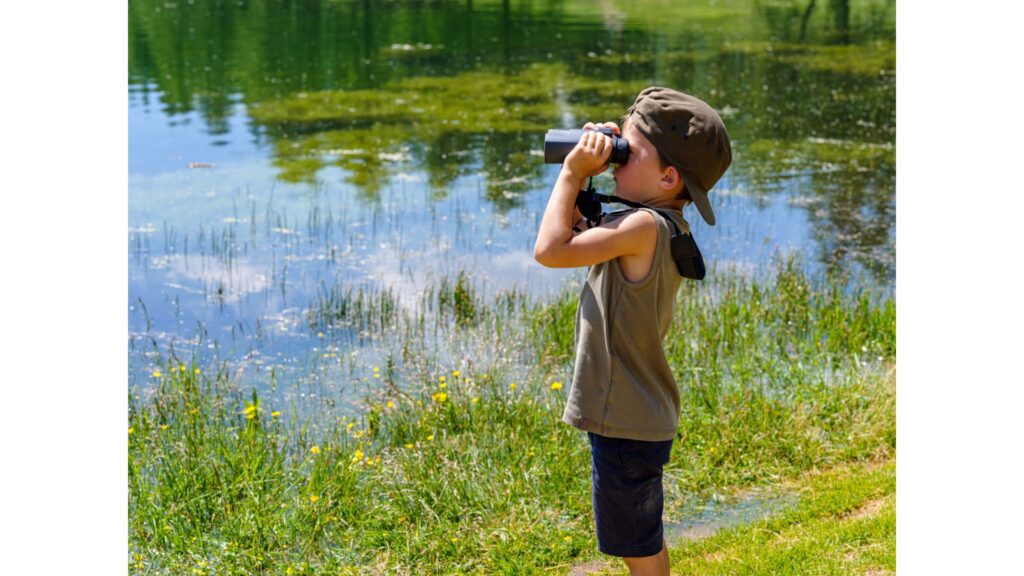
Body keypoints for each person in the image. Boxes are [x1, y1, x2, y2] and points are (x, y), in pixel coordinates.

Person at [533, 87, 732, 576]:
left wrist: (571, 171)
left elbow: (551, 249)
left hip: (626, 417)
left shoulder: (642, 226)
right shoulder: (661, 221)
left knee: (636, 546)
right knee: (641, 539)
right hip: (636, 413)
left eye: (627, 149)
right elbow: (580, 233)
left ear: (668, 176)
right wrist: (584, 189)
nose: (615, 155)